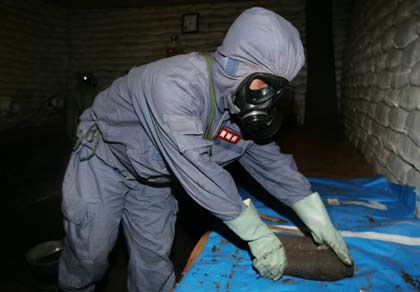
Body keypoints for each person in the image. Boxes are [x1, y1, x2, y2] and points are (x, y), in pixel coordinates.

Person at [59, 7, 352, 292]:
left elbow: (263, 156)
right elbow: (197, 167)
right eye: (262, 83)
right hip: (105, 162)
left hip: (155, 176)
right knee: (91, 257)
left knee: (153, 260)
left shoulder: (236, 99)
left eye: (272, 91)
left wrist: (309, 207)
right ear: (238, 63)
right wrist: (256, 234)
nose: (264, 99)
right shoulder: (175, 85)